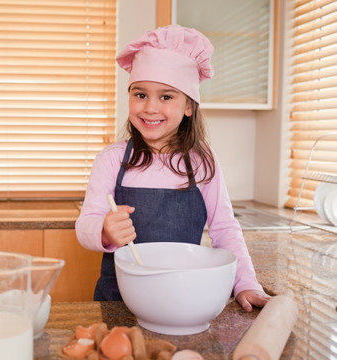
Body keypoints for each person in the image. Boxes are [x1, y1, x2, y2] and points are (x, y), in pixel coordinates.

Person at [75, 24, 270, 312]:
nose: (150, 107)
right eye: (140, 95)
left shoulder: (203, 161)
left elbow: (224, 228)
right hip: (118, 301)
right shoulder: (112, 159)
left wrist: (246, 283)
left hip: (181, 297)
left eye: (166, 96)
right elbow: (85, 223)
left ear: (189, 106)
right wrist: (103, 230)